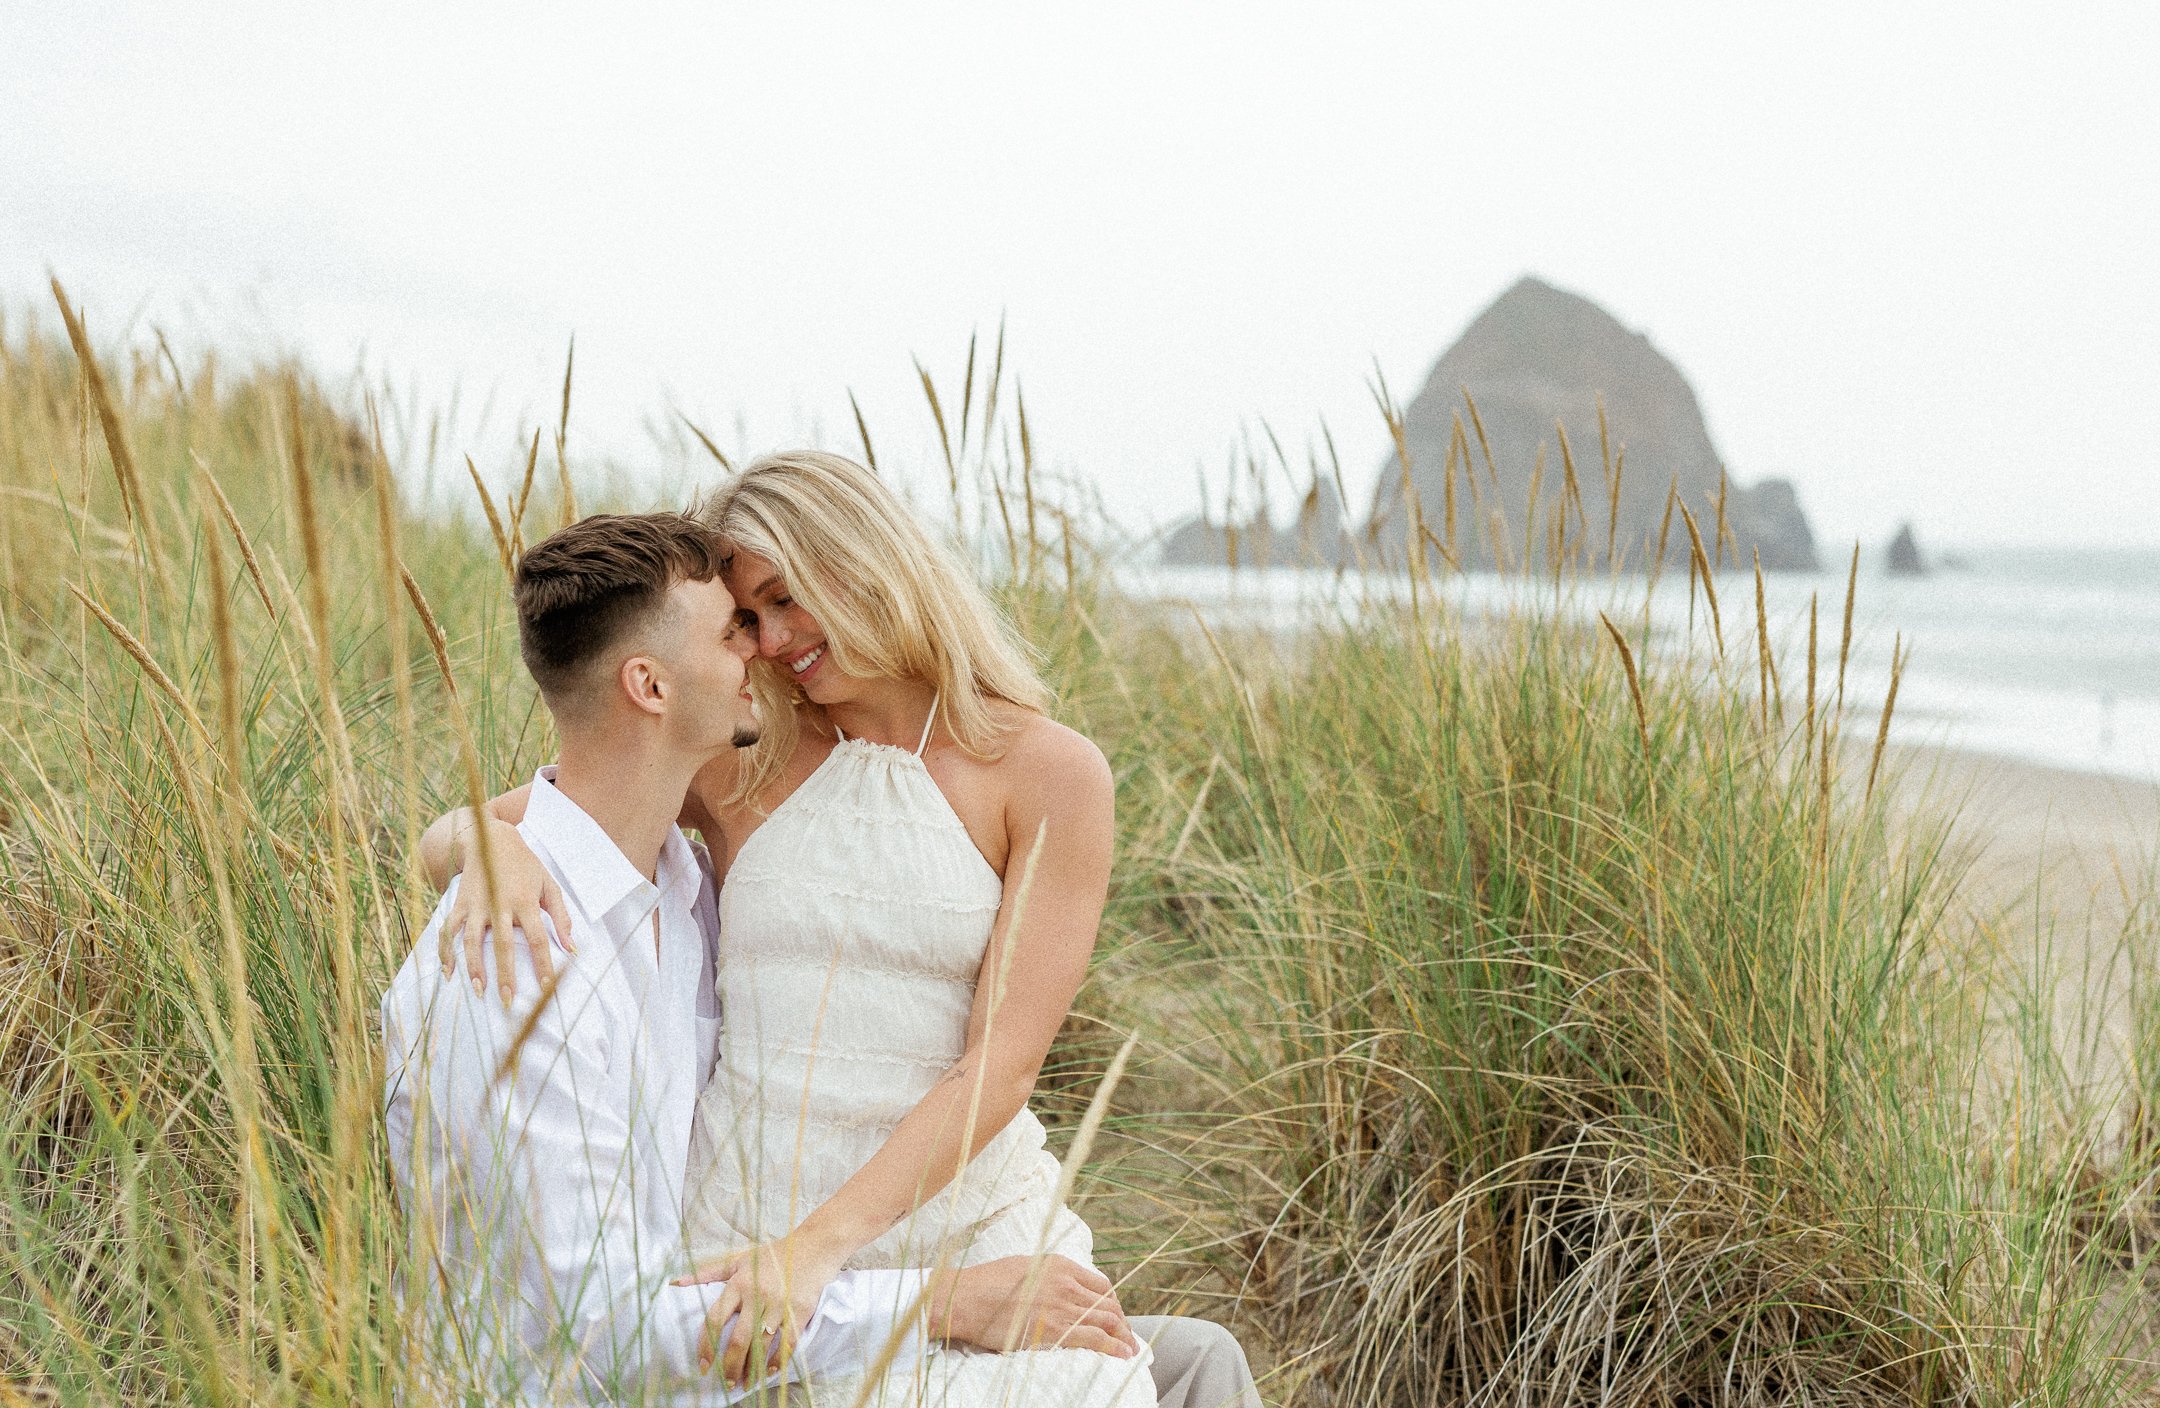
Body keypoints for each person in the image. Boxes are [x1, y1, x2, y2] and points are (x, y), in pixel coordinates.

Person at [424, 457, 1262, 1407]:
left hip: (964, 1217)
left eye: (787, 600)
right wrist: (489, 848)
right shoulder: (743, 759)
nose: (775, 643)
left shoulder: (1048, 773)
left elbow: (1003, 1066)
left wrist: (819, 1246)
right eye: (748, 619)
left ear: (865, 564)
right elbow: (469, 829)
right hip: (752, 1213)